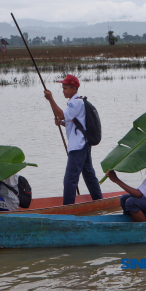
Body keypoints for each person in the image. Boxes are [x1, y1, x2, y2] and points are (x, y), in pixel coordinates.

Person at [44, 74, 103, 205]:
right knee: (89, 176)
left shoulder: (76, 102)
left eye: (65, 88)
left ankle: (68, 208)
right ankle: (99, 202)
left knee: (70, 179)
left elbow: (61, 114)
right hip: (84, 145)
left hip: (78, 146)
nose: (63, 91)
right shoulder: (77, 102)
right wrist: (62, 123)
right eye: (63, 88)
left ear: (74, 89)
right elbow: (73, 122)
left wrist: (50, 99)